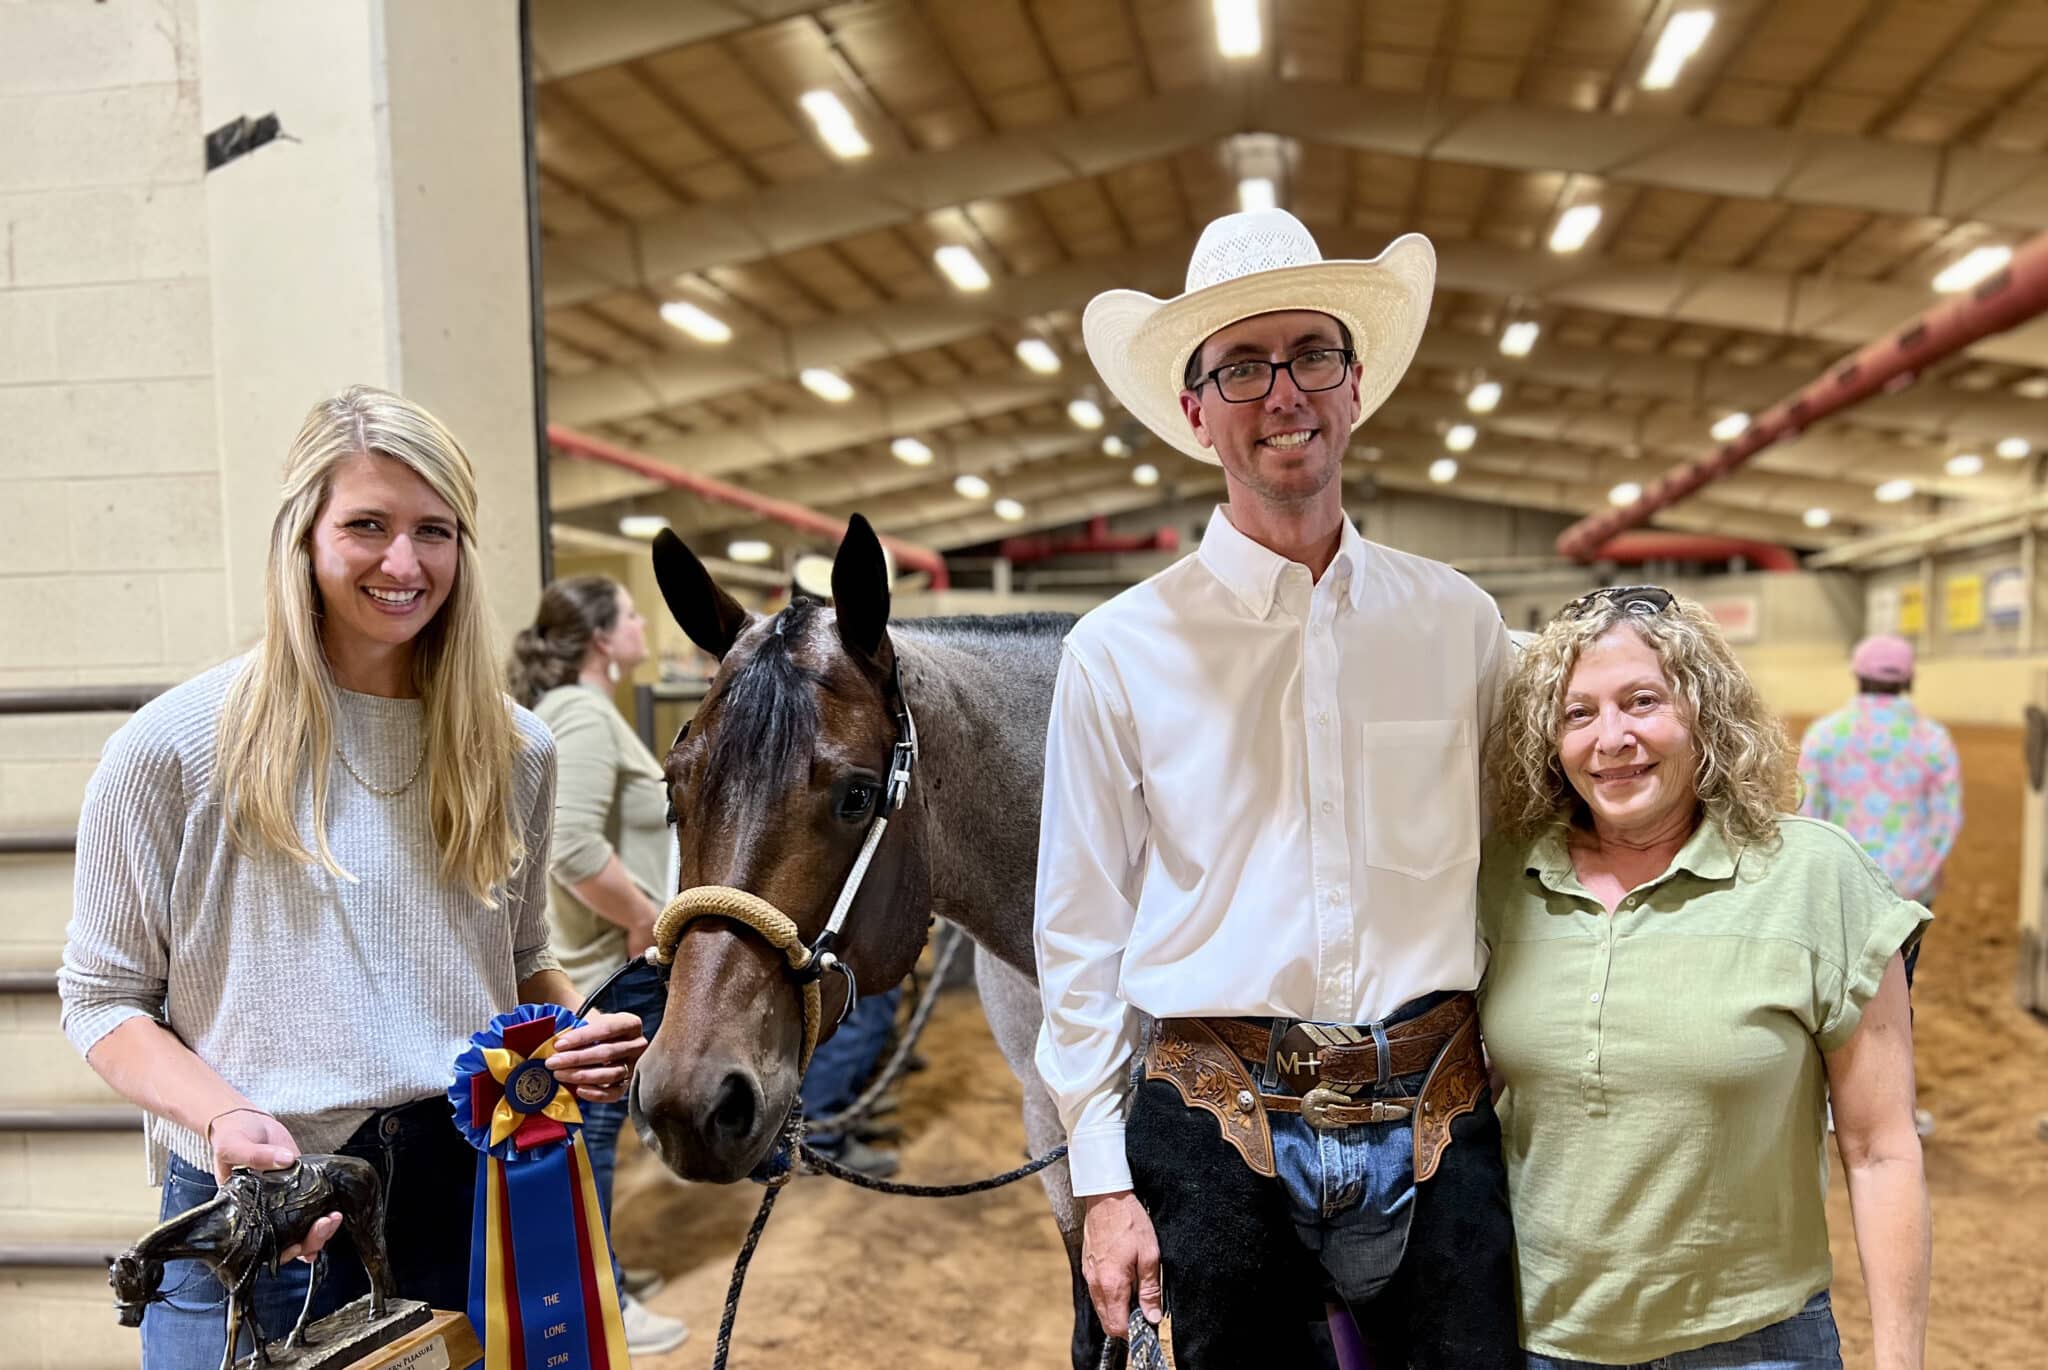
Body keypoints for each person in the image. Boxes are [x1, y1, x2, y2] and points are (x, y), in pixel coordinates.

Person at [60, 387, 648, 1369]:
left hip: (467, 1200)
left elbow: (519, 956)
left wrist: (574, 1033)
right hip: (260, 1219)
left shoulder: (518, 749)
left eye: (434, 530)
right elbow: (100, 999)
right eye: (366, 526)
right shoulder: (170, 748)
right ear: (303, 535)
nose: (404, 563)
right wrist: (224, 1115)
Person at [1033, 207, 1518, 1367]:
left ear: (1354, 385)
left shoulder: (1458, 621)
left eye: (1311, 354)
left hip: (1436, 1105)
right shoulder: (1116, 647)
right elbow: (1079, 931)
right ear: (1196, 410)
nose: (1283, 392)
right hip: (1210, 1110)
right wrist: (1103, 1182)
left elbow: (1520, 850)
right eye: (1241, 366)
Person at [1478, 586, 1930, 1370]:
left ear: (1705, 712)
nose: (1611, 738)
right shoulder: (1500, 879)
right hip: (1540, 1343)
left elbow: (1881, 1148)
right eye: (1577, 714)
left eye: (1641, 701)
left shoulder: (1814, 877)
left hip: (1754, 1344)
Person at [509, 576, 689, 1355]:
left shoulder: (584, 711)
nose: (644, 623)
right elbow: (573, 846)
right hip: (600, 968)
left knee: (597, 1135)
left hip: (605, 961)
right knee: (593, 1134)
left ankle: (604, 1269)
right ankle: (601, 1298)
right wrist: (644, 917)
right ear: (600, 638)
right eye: (630, 613)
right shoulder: (580, 714)